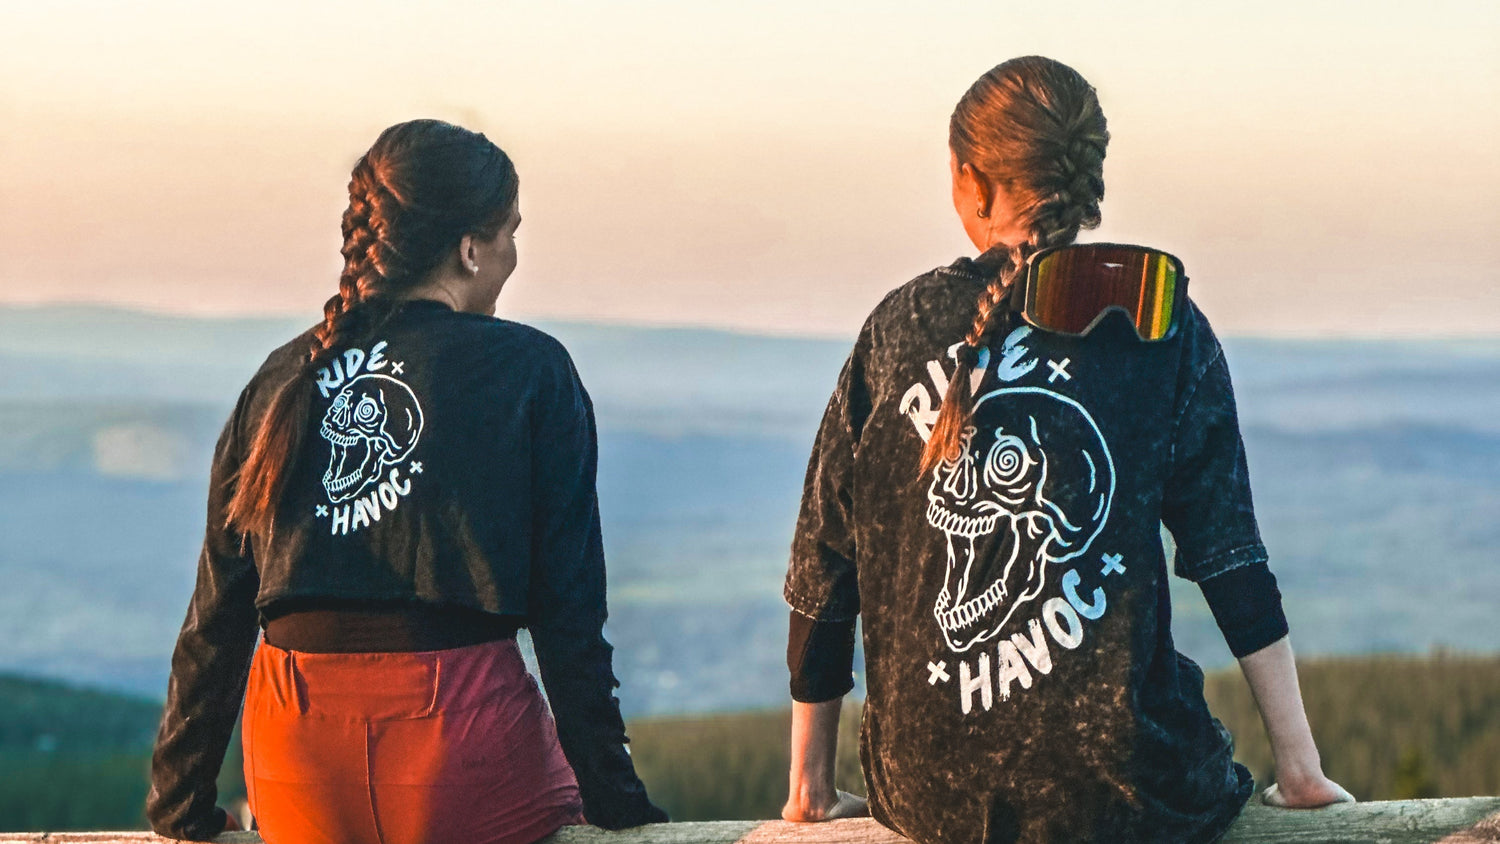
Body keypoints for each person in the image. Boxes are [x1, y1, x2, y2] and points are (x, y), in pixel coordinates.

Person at [780, 57, 1354, 843]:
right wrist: (1300, 768)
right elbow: (1229, 555)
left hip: (926, 796)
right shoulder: (1159, 324)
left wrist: (809, 789)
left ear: (971, 181)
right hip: (1128, 794)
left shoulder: (895, 330)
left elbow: (823, 564)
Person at [147, 119, 666, 844]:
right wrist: (618, 804)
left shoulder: (279, 378)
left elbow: (218, 615)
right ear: (470, 248)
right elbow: (569, 617)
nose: (514, 255)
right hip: (462, 748)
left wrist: (179, 803)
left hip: (297, 759)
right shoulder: (531, 370)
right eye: (511, 233)